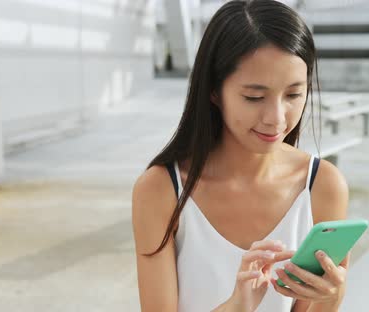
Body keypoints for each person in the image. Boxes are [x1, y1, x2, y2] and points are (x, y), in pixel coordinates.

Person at [132, 1, 350, 311]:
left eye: (293, 94)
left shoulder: (322, 186)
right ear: (213, 91)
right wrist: (236, 306)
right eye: (254, 97)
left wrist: (332, 297)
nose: (276, 118)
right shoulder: (160, 190)